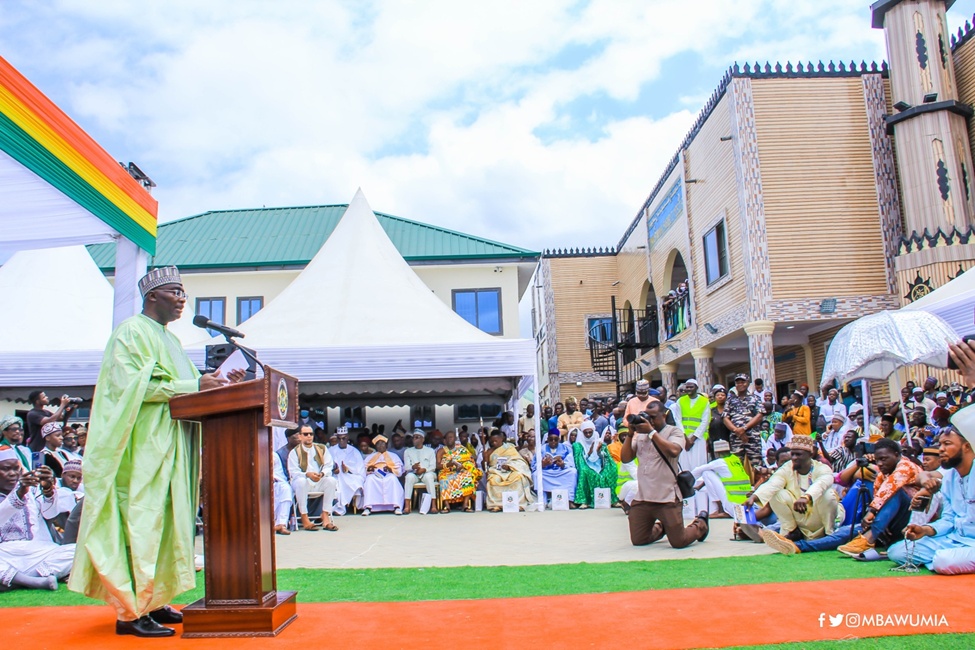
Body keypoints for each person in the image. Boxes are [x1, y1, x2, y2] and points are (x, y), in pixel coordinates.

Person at [68, 266, 242, 638]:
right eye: (175, 292)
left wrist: (219, 384)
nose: (182, 299)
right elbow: (135, 386)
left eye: (183, 292)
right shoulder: (131, 332)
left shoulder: (172, 341)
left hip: (173, 443)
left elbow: (185, 386)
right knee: (142, 522)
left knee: (168, 523)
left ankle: (154, 599)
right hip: (141, 446)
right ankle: (130, 613)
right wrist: (195, 382)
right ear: (153, 297)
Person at [622, 402, 709, 548]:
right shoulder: (641, 435)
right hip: (643, 497)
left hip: (667, 497)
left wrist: (651, 432)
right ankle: (663, 527)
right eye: (647, 417)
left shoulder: (674, 432)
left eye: (653, 417)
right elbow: (626, 458)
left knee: (678, 542)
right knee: (639, 540)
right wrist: (631, 434)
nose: (649, 421)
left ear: (664, 415)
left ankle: (700, 525)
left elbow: (674, 451)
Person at [0, 450, 73, 592]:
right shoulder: (23, 489)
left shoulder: (31, 490)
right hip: (3, 554)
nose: (13, 473)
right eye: (6, 469)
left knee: (79, 550)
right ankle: (37, 581)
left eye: (16, 468)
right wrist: (20, 493)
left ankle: (19, 580)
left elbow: (50, 513)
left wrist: (48, 490)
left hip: (36, 552)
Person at [743, 435, 838, 543]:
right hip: (800, 517)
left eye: (798, 454)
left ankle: (829, 534)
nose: (794, 458)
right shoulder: (788, 467)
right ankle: (792, 532)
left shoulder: (822, 468)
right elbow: (773, 483)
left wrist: (806, 497)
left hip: (819, 516)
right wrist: (754, 497)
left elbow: (822, 483)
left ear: (810, 454)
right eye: (792, 454)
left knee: (829, 495)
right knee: (777, 493)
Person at [288, 425, 339, 531]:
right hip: (303, 483)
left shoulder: (322, 448)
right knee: (301, 482)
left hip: (318, 481)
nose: (309, 436)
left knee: (331, 481)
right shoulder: (294, 452)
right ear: (300, 436)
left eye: (311, 434)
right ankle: (304, 517)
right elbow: (294, 473)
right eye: (306, 434)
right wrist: (307, 474)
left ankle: (325, 516)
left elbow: (329, 465)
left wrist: (322, 474)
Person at [691, 439, 752, 518]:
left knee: (706, 473)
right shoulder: (735, 459)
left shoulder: (720, 462)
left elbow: (698, 470)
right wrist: (699, 486)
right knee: (712, 473)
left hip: (732, 506)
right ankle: (723, 510)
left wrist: (684, 481)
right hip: (744, 505)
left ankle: (721, 510)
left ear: (717, 453)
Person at [671, 379, 710, 488]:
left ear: (696, 388)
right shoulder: (681, 401)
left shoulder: (704, 401)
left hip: (698, 438)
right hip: (684, 437)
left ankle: (699, 487)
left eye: (691, 387)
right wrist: (685, 437)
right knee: (685, 464)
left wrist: (693, 438)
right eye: (687, 387)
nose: (688, 389)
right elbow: (677, 419)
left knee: (699, 463)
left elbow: (705, 421)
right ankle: (686, 488)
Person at [724, 373, 765, 472]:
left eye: (743, 382)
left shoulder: (755, 398)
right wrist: (737, 430)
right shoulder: (730, 400)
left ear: (748, 384)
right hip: (736, 437)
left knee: (757, 465)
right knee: (736, 464)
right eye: (738, 382)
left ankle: (759, 485)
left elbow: (760, 415)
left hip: (752, 436)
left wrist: (744, 428)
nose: (740, 384)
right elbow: (725, 418)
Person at [485, 430, 535, 512]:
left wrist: (509, 467)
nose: (493, 443)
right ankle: (496, 505)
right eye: (492, 441)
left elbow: (518, 461)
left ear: (501, 440)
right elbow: (486, 465)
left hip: (511, 470)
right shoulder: (489, 451)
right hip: (496, 471)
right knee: (493, 479)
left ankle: (518, 504)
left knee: (518, 477)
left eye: (495, 441)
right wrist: (485, 457)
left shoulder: (509, 448)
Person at [572, 420, 618, 509]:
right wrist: (589, 452)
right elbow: (579, 461)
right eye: (586, 433)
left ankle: (612, 500)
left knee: (611, 470)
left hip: (599, 465)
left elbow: (606, 458)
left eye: (590, 432)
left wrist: (598, 451)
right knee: (585, 472)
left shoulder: (600, 442)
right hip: (586, 465)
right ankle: (585, 501)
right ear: (582, 433)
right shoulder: (577, 445)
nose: (588, 435)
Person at [437, 430, 481, 512]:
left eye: (451, 437)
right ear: (445, 440)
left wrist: (463, 466)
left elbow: (470, 460)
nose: (450, 439)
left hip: (460, 471)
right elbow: (437, 466)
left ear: (455, 439)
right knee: (443, 479)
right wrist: (448, 465)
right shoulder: (441, 451)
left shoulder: (461, 449)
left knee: (467, 477)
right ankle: (447, 506)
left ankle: (465, 505)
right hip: (446, 472)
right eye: (448, 438)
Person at [362, 435, 404, 515]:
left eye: (382, 443)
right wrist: (369, 470)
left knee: (392, 479)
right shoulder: (370, 457)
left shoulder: (393, 456)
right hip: (374, 475)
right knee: (370, 479)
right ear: (375, 446)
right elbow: (363, 469)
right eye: (378, 444)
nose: (380, 445)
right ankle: (368, 507)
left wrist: (390, 469)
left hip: (389, 474)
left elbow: (399, 469)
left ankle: (396, 506)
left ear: (386, 445)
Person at [532, 430, 577, 505]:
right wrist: (543, 464)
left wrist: (563, 464)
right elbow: (534, 465)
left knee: (573, 472)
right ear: (547, 439)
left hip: (560, 472)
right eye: (551, 439)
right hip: (547, 472)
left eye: (555, 439)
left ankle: (569, 500)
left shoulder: (565, 448)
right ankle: (542, 500)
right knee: (536, 474)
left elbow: (570, 462)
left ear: (559, 439)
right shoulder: (541, 449)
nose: (553, 441)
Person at [330, 428, 366, 516]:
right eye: (339, 438)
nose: (341, 441)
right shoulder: (331, 450)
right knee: (336, 480)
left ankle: (340, 507)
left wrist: (348, 469)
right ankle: (338, 507)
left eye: (344, 438)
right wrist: (334, 470)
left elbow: (360, 470)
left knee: (344, 478)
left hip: (352, 476)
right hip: (335, 476)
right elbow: (326, 465)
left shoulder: (354, 451)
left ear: (347, 438)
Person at [403, 429, 439, 514]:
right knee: (409, 477)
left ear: (423, 439)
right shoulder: (407, 451)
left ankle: (433, 506)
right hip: (414, 473)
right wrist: (413, 467)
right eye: (414, 437)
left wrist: (424, 469)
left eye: (417, 437)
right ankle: (407, 506)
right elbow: (406, 467)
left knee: (429, 477)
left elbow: (433, 466)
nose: (414, 439)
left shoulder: (430, 450)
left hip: (428, 472)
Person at [707, 385, 731, 459]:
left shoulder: (730, 410)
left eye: (722, 395)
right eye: (718, 395)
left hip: (728, 440)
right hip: (714, 440)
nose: (720, 397)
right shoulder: (710, 410)